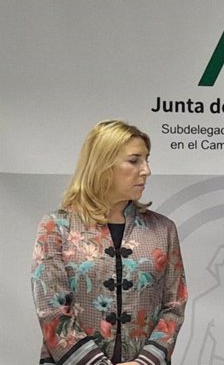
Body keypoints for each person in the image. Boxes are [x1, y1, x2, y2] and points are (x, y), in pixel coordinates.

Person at [30, 120, 188, 365]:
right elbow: (52, 310)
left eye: (147, 159)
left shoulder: (163, 229)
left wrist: (145, 362)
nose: (146, 170)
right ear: (103, 165)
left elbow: (174, 305)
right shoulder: (56, 227)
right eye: (134, 160)